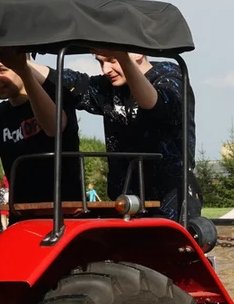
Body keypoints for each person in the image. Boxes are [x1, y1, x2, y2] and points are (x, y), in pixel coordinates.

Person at [37, 51, 201, 220]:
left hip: (171, 203)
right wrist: (23, 67)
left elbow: (157, 103)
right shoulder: (109, 88)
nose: (106, 70)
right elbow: (71, 81)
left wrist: (123, 56)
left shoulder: (170, 77)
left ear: (137, 53)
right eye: (100, 62)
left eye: (112, 60)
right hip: (125, 203)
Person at [0, 49, 83, 205]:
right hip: (22, 214)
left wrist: (25, 72)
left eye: (2, 70)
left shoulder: (57, 95)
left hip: (65, 211)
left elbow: (54, 127)